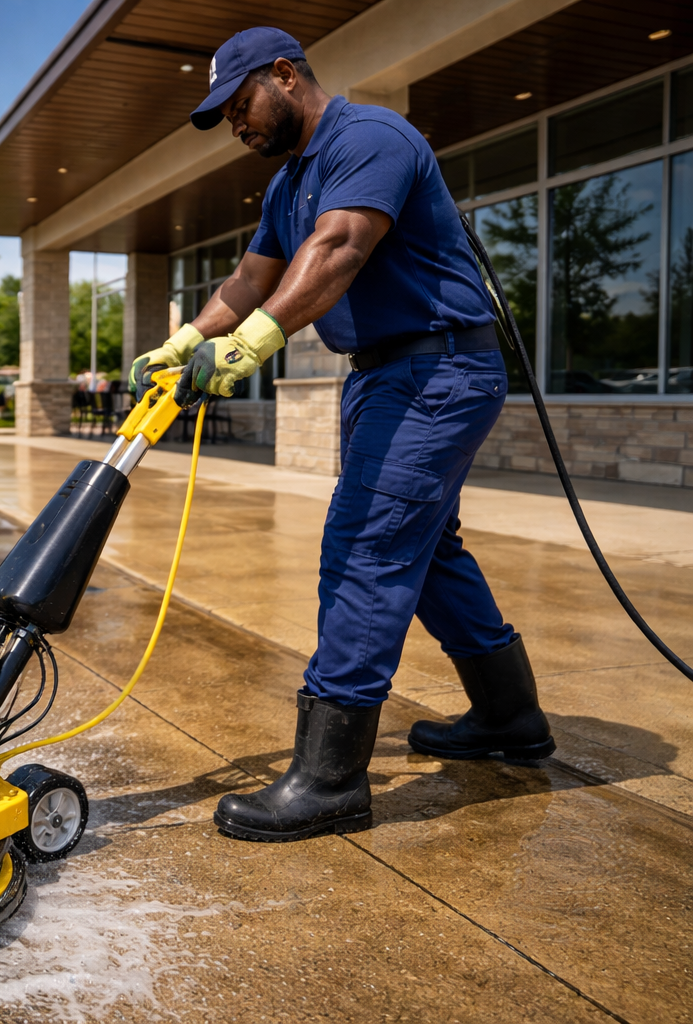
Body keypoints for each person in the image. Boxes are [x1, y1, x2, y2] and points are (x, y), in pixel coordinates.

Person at [129, 27, 554, 843]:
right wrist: (190, 342)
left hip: (438, 372)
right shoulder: (290, 183)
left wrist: (254, 344)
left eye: (241, 105)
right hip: (383, 375)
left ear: (285, 76)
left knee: (365, 546)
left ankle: (330, 778)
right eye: (224, 118)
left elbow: (339, 247)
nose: (237, 126)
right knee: (424, 550)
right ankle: (510, 717)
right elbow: (253, 276)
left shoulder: (370, 138)